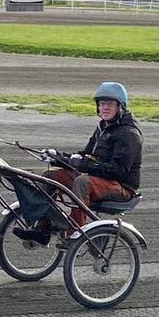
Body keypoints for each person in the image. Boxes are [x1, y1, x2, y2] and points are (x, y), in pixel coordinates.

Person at [15, 82, 142, 243]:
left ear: (120, 107)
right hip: (100, 180)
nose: (105, 108)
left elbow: (118, 171)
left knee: (82, 182)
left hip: (122, 187)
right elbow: (85, 156)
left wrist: (83, 164)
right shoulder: (103, 127)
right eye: (102, 104)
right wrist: (58, 157)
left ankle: (74, 234)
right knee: (50, 176)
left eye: (110, 104)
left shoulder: (129, 134)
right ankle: (44, 228)